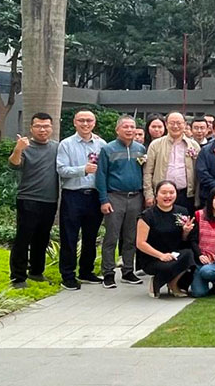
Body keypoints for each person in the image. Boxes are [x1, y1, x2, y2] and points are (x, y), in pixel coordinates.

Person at [56, 108, 107, 289]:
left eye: (89, 120)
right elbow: (61, 169)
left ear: (94, 123)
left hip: (94, 196)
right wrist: (82, 170)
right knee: (69, 236)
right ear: (74, 123)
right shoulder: (66, 144)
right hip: (73, 195)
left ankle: (86, 271)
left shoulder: (101, 144)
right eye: (81, 120)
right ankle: (68, 275)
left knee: (91, 237)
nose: (85, 124)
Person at [8, 113, 60, 289]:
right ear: (31, 128)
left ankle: (36, 272)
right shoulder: (25, 146)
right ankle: (18, 277)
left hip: (50, 200)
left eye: (46, 126)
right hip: (28, 199)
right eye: (38, 126)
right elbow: (14, 164)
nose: (42, 129)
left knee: (42, 238)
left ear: (51, 128)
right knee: (23, 238)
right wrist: (18, 149)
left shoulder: (57, 147)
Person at [96, 115, 147, 288]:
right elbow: (101, 175)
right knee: (111, 236)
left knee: (131, 237)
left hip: (136, 197)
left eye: (132, 127)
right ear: (117, 129)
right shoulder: (107, 149)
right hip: (114, 197)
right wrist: (104, 200)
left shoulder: (140, 149)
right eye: (125, 126)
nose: (129, 130)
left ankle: (128, 270)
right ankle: (108, 273)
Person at [136, 180, 199, 298]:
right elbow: (140, 243)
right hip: (153, 257)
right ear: (156, 195)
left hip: (173, 254)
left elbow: (183, 240)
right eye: (164, 193)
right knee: (168, 265)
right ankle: (156, 282)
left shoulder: (182, 212)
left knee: (190, 254)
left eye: (171, 192)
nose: (168, 196)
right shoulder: (147, 216)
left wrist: (185, 232)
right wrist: (161, 255)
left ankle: (173, 284)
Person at [143, 112, 203, 212]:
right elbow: (148, 172)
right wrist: (149, 194)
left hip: (186, 194)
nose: (175, 126)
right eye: (172, 123)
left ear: (185, 124)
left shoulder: (193, 145)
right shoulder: (155, 145)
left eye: (179, 123)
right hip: (162, 194)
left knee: (184, 221)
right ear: (166, 124)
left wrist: (197, 197)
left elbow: (198, 173)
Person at [190, 186, 215, 297]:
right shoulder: (198, 215)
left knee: (207, 271)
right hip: (200, 259)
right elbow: (193, 239)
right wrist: (200, 255)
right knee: (198, 293)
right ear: (211, 199)